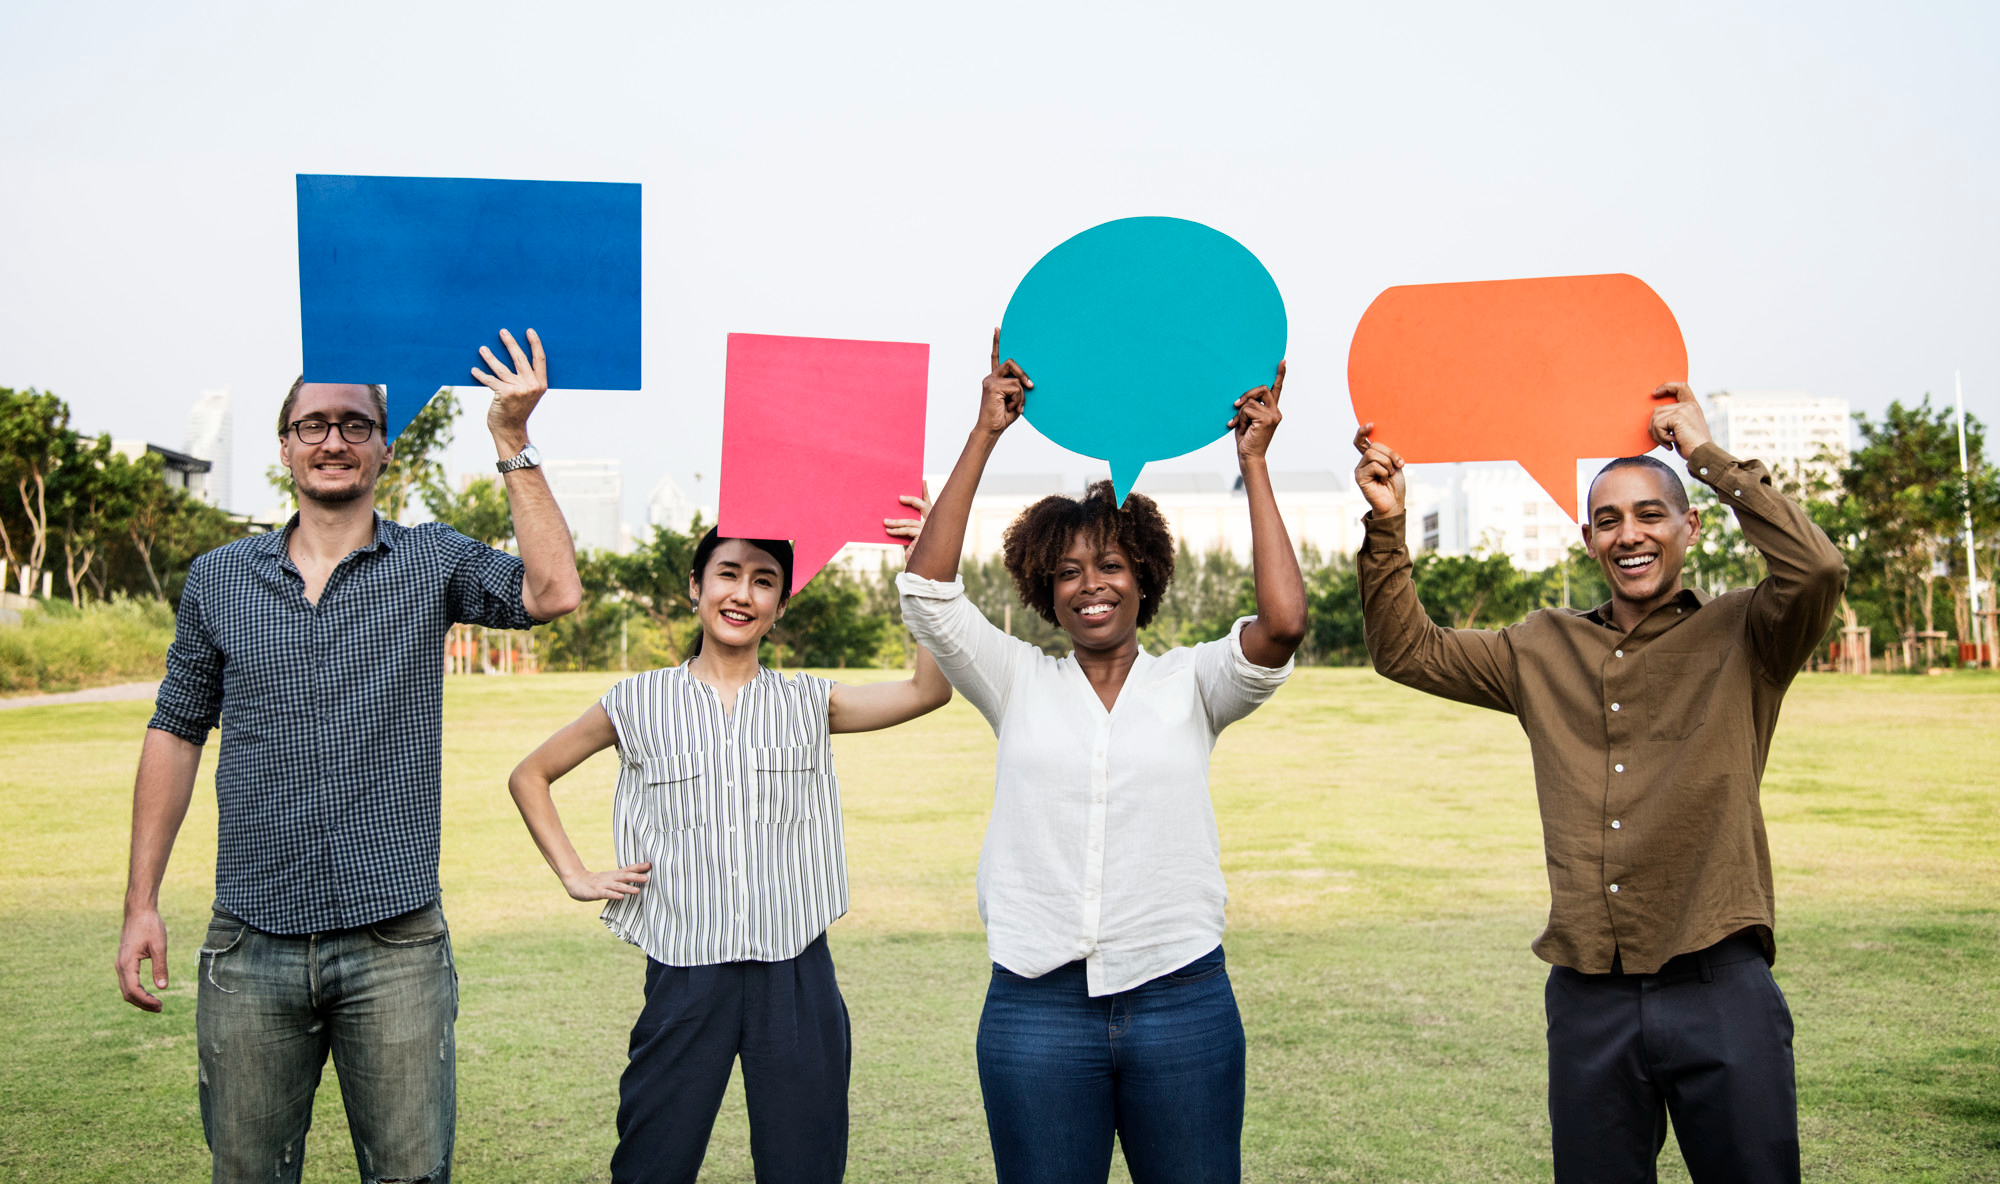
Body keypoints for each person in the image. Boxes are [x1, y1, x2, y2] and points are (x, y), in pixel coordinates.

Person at [115, 329, 583, 1184]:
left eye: (355, 425)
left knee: (410, 1175)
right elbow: (176, 731)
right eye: (313, 424)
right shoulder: (218, 579)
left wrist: (512, 438)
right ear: (286, 445)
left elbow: (553, 591)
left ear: (385, 447)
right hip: (249, 942)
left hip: (394, 943)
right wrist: (141, 901)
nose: (334, 440)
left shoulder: (431, 560)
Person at [1351, 384, 1846, 1184]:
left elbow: (1817, 565)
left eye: (1652, 513)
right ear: (1587, 540)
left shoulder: (1748, 632)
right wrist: (1386, 523)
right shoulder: (1539, 648)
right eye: (1609, 520)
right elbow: (1407, 651)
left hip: (1721, 983)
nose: (1631, 535)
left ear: (1689, 526)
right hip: (1589, 998)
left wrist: (1707, 457)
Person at [897, 332, 1307, 1184]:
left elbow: (1283, 625)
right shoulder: (1015, 680)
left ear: (1145, 577)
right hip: (1035, 1007)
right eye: (1069, 571)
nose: (1092, 584)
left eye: (1112, 565)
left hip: (1181, 999)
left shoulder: (1193, 683)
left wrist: (1254, 463)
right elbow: (928, 592)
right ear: (1044, 590)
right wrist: (985, 432)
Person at [506, 511, 953, 1184]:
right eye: (728, 574)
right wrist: (574, 874)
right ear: (696, 587)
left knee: (804, 1166)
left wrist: (924, 565)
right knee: (652, 1164)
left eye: (764, 581)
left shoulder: (809, 702)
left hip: (797, 975)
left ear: (780, 604)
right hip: (686, 974)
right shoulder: (637, 701)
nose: (743, 594)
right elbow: (530, 775)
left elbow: (929, 689)